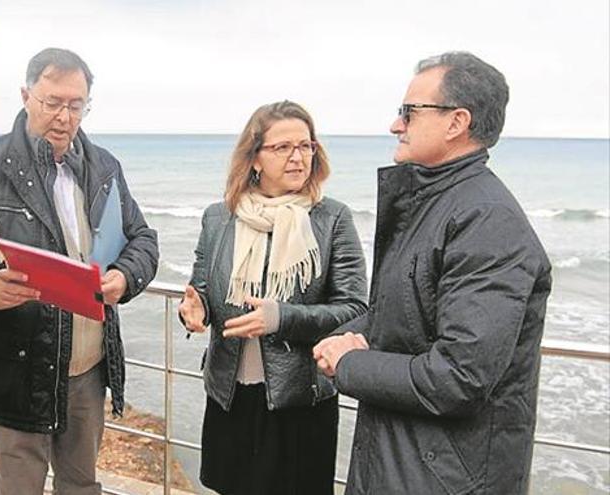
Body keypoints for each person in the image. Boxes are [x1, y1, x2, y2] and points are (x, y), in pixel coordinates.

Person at [313, 52, 552, 494]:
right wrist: (343, 334)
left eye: (409, 111)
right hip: (403, 464)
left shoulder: (486, 220)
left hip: (444, 480)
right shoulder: (434, 204)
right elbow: (405, 311)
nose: (395, 124)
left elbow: (459, 377)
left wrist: (349, 363)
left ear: (456, 122)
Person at [0, 47, 159, 494]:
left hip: (87, 367)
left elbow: (143, 239)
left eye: (76, 105)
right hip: (15, 370)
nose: (64, 116)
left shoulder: (103, 166)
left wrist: (124, 276)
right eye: (52, 102)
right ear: (26, 96)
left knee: (80, 486)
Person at [178, 100, 368, 494]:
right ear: (255, 158)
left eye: (306, 146)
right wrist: (193, 310)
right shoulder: (219, 217)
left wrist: (282, 318)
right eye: (283, 147)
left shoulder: (332, 218)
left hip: (299, 398)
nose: (298, 158)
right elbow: (202, 292)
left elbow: (355, 309)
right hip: (229, 393)